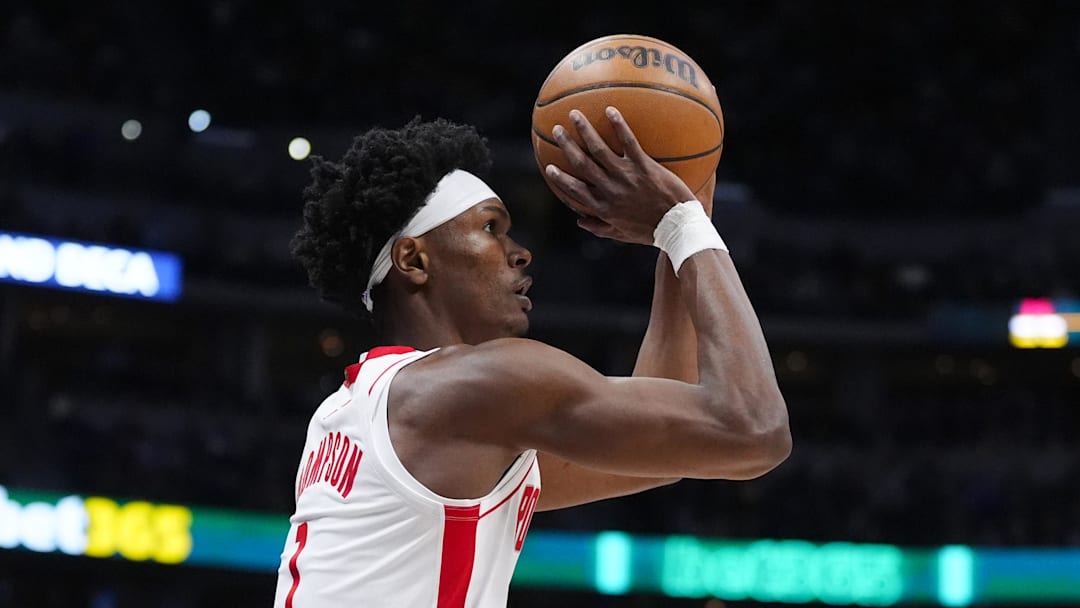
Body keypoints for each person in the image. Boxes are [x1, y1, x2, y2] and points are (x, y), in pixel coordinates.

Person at [273, 107, 790, 608]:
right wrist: (682, 225)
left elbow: (663, 453)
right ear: (414, 259)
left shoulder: (359, 410)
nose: (520, 252)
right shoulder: (472, 389)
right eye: (491, 228)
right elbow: (753, 430)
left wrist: (679, 226)